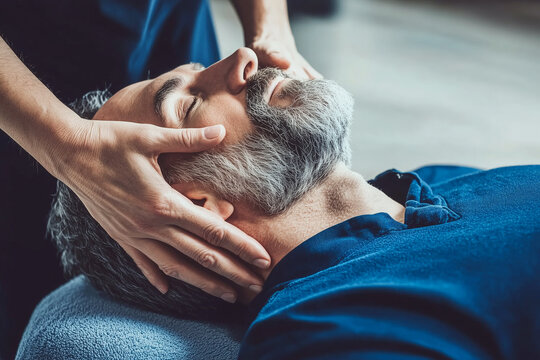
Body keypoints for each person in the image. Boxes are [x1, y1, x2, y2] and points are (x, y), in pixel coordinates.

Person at [48, 48, 540, 359]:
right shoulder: (332, 326)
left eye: (201, 68)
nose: (242, 57)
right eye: (189, 101)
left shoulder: (434, 182)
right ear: (190, 204)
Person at [0, 1, 320, 356]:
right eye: (189, 104)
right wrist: (66, 145)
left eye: (197, 77)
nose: (244, 56)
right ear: (199, 208)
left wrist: (268, 26)